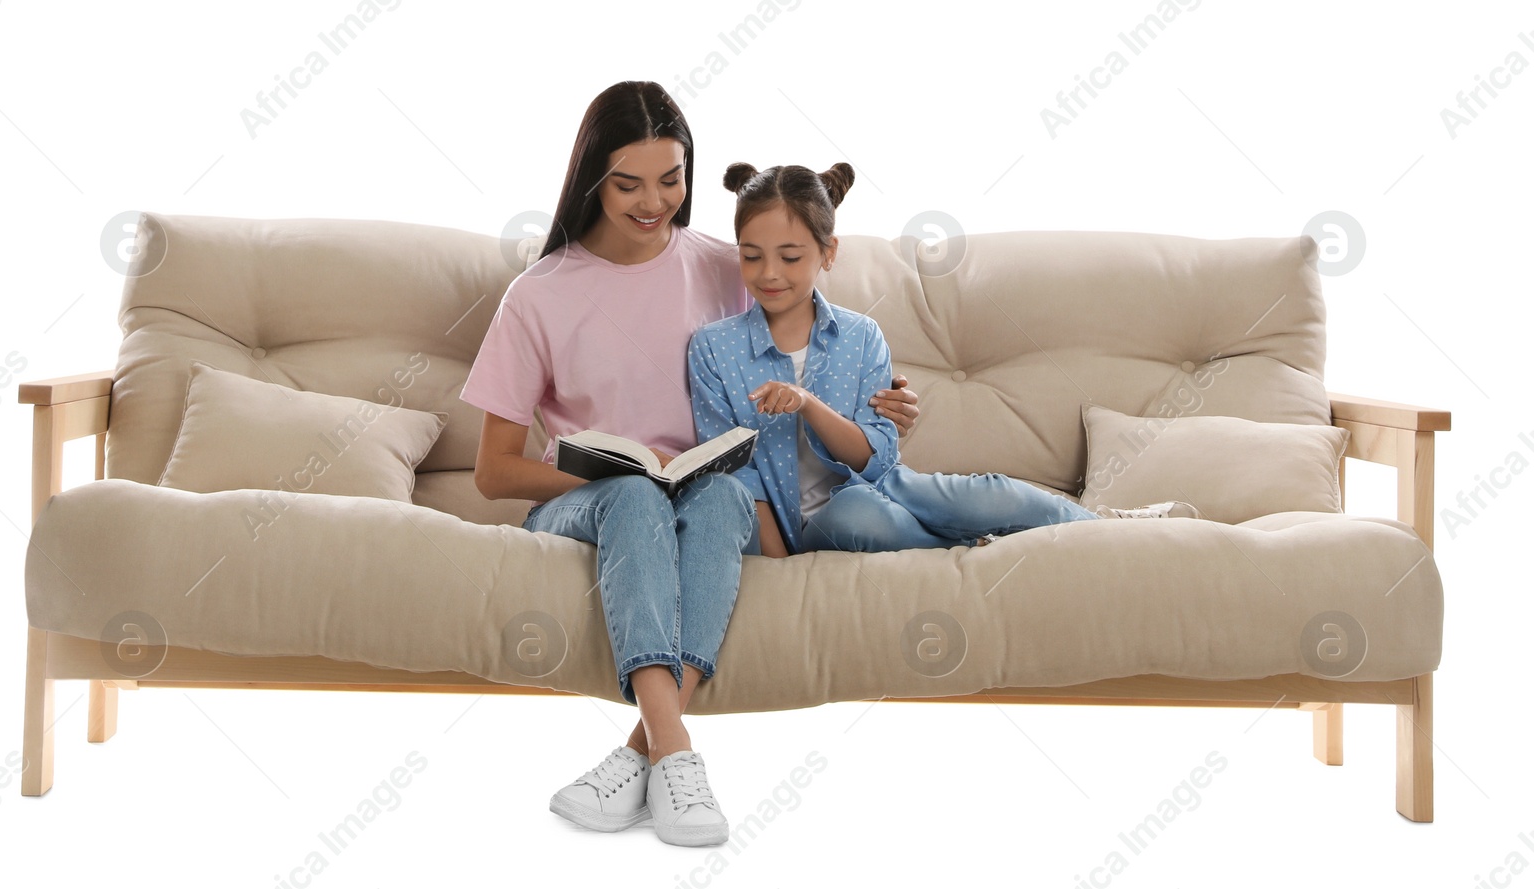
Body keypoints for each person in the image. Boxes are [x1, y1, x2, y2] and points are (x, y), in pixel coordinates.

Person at [459, 84, 920, 847]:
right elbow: (494, 472)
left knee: (715, 503)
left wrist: (895, 399)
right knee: (639, 499)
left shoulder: (723, 264)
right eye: (627, 183)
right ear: (590, 180)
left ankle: (640, 754)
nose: (653, 203)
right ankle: (676, 755)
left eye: (671, 180)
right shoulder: (536, 296)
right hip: (589, 504)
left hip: (711, 493)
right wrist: (617, 475)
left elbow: (819, 337)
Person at [688, 161, 1196, 558]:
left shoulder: (860, 336)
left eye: (790, 256)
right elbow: (736, 474)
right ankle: (979, 552)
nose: (769, 272)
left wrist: (807, 404)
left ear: (828, 253)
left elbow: (875, 459)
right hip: (810, 521)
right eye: (751, 255)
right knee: (860, 517)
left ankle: (1111, 528)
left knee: (990, 494)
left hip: (880, 483)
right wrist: (781, 568)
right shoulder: (714, 348)